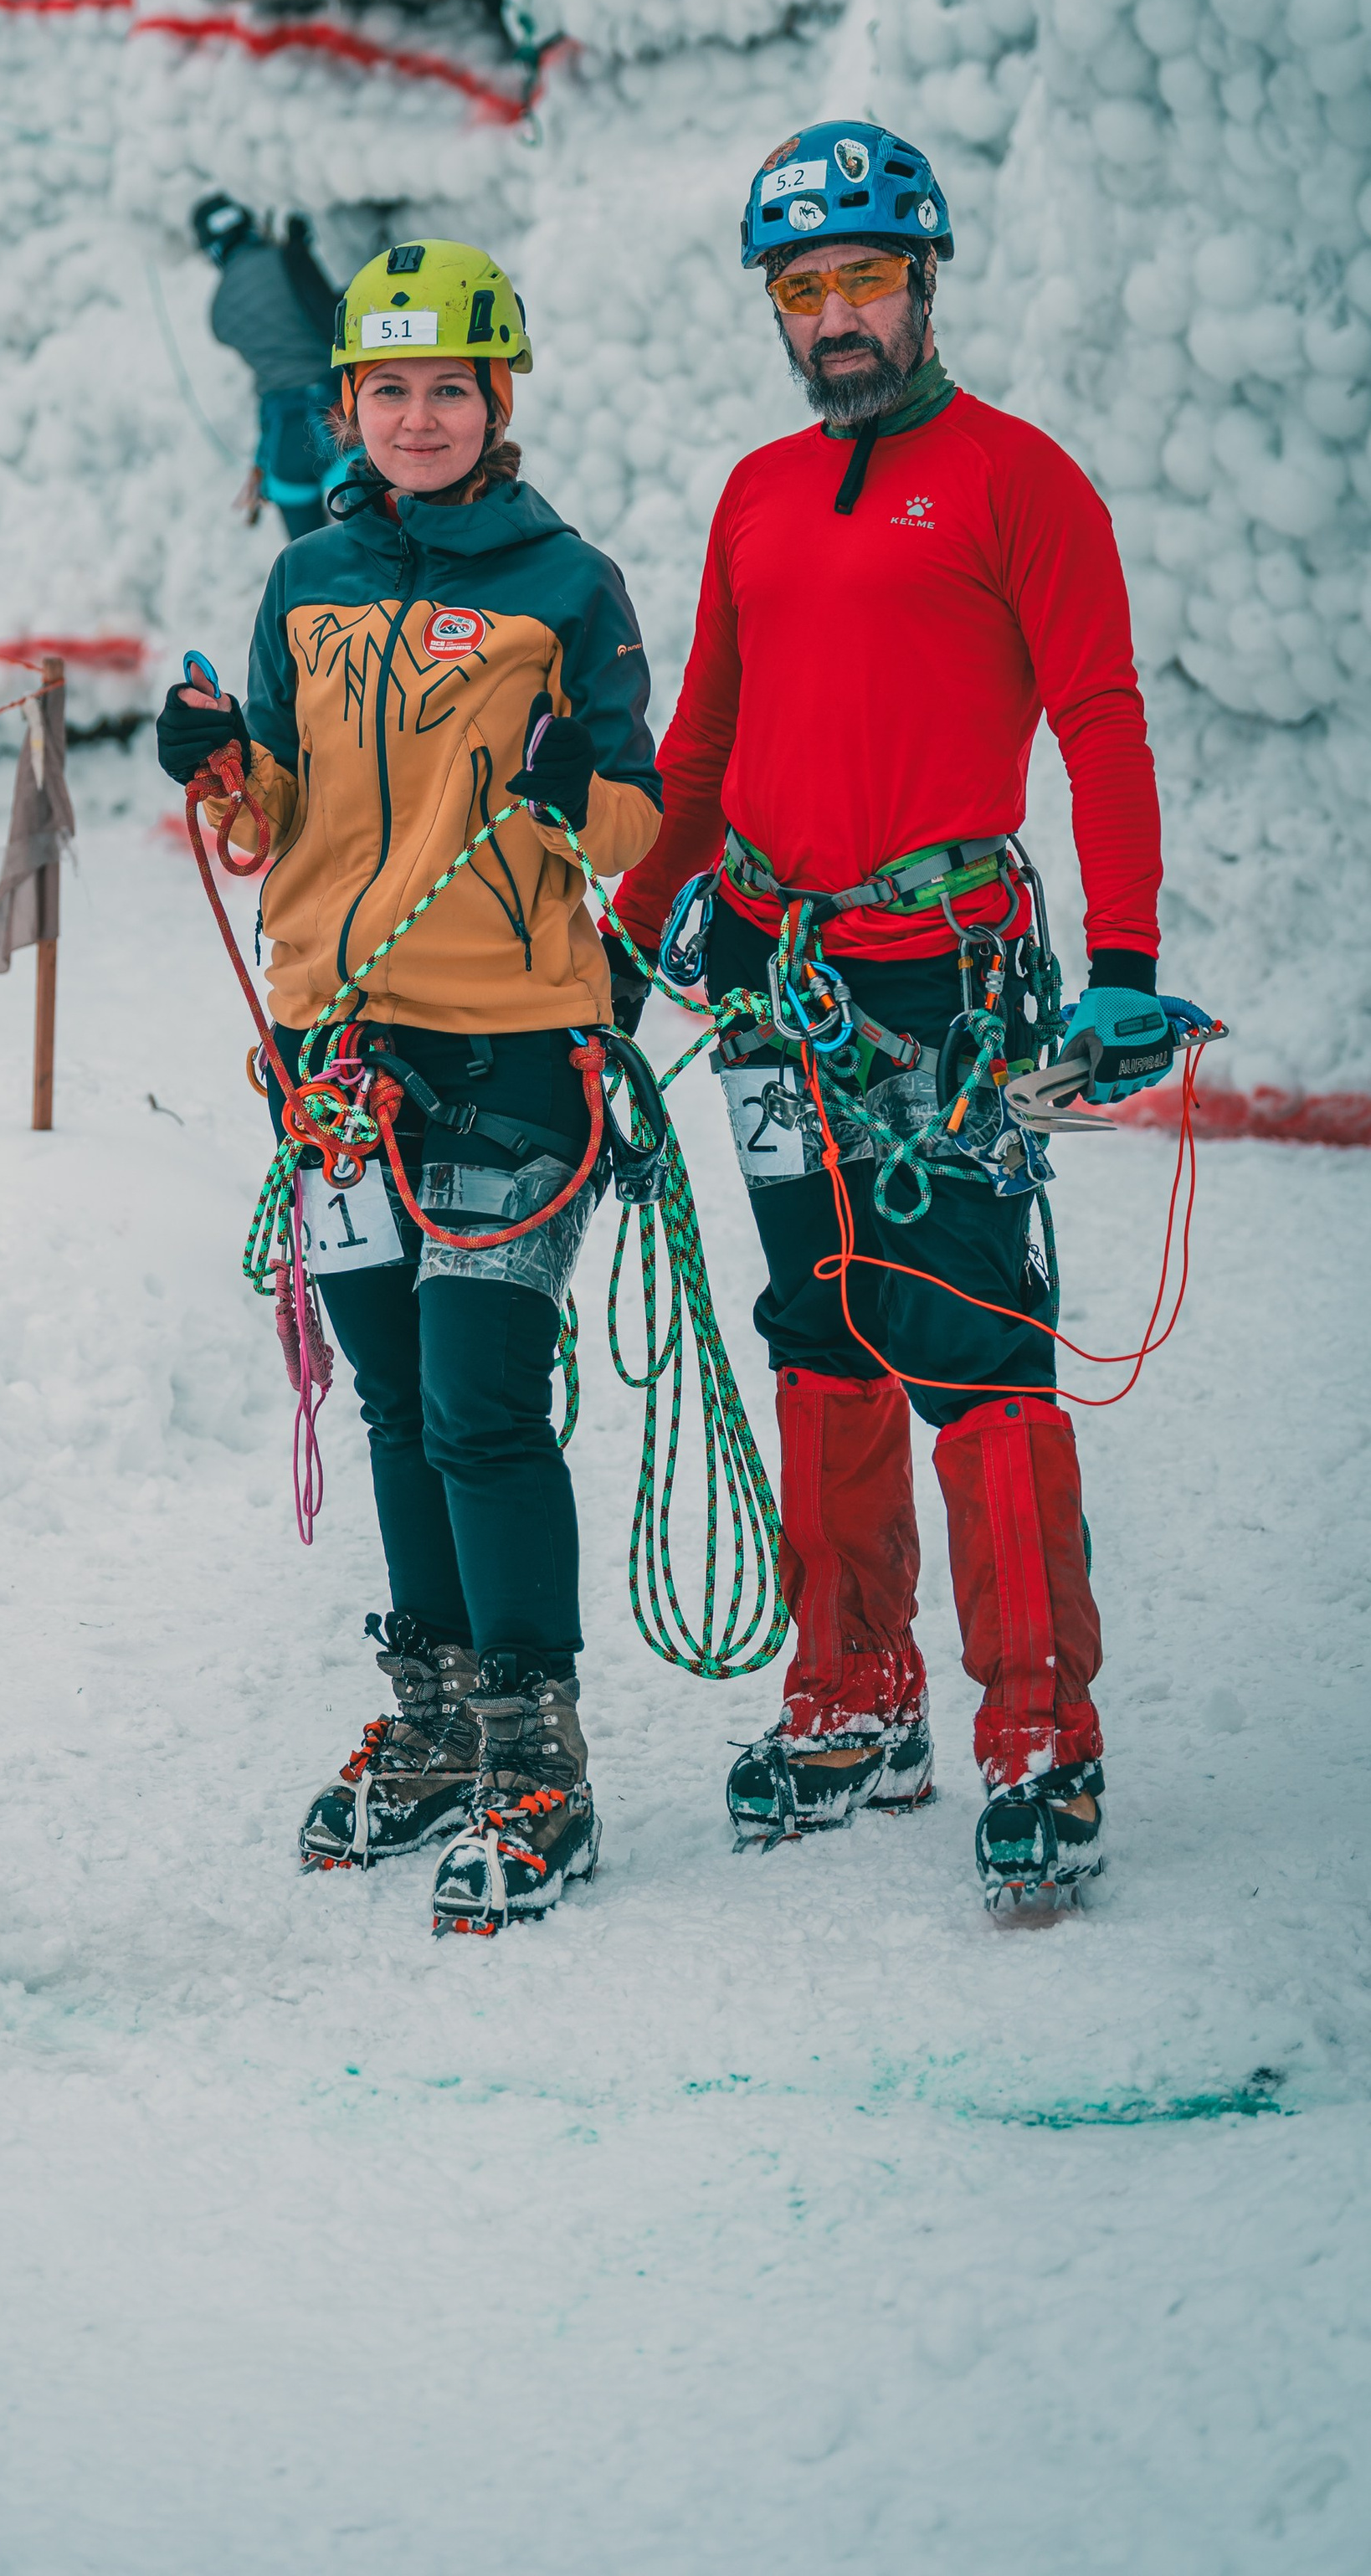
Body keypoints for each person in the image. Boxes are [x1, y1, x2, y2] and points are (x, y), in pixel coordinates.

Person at [607, 119, 1174, 1910]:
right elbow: (695, 750)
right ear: (774, 311)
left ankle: (1037, 1735)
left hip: (942, 993)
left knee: (977, 1360)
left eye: (861, 279)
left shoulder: (1020, 479)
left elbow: (1097, 719)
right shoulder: (759, 493)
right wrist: (618, 961)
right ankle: (852, 1696)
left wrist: (1129, 959)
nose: (833, 316)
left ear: (920, 285)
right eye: (802, 289)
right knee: (816, 1330)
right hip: (775, 982)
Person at [157, 239, 660, 1934]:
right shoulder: (300, 575)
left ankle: (535, 1744)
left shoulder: (564, 581)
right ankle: (441, 1717)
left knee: (477, 1403)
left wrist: (571, 783)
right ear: (348, 404)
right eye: (389, 388)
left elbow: (629, 830)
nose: (420, 415)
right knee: (387, 1398)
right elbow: (271, 821)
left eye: (451, 386)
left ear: (497, 398)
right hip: (332, 1051)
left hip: (512, 1037)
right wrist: (223, 767)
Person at [193, 194, 340, 539]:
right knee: (386, 548)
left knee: (310, 562)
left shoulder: (218, 313)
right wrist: (301, 255)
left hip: (282, 440)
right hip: (336, 419)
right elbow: (334, 321)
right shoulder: (287, 260)